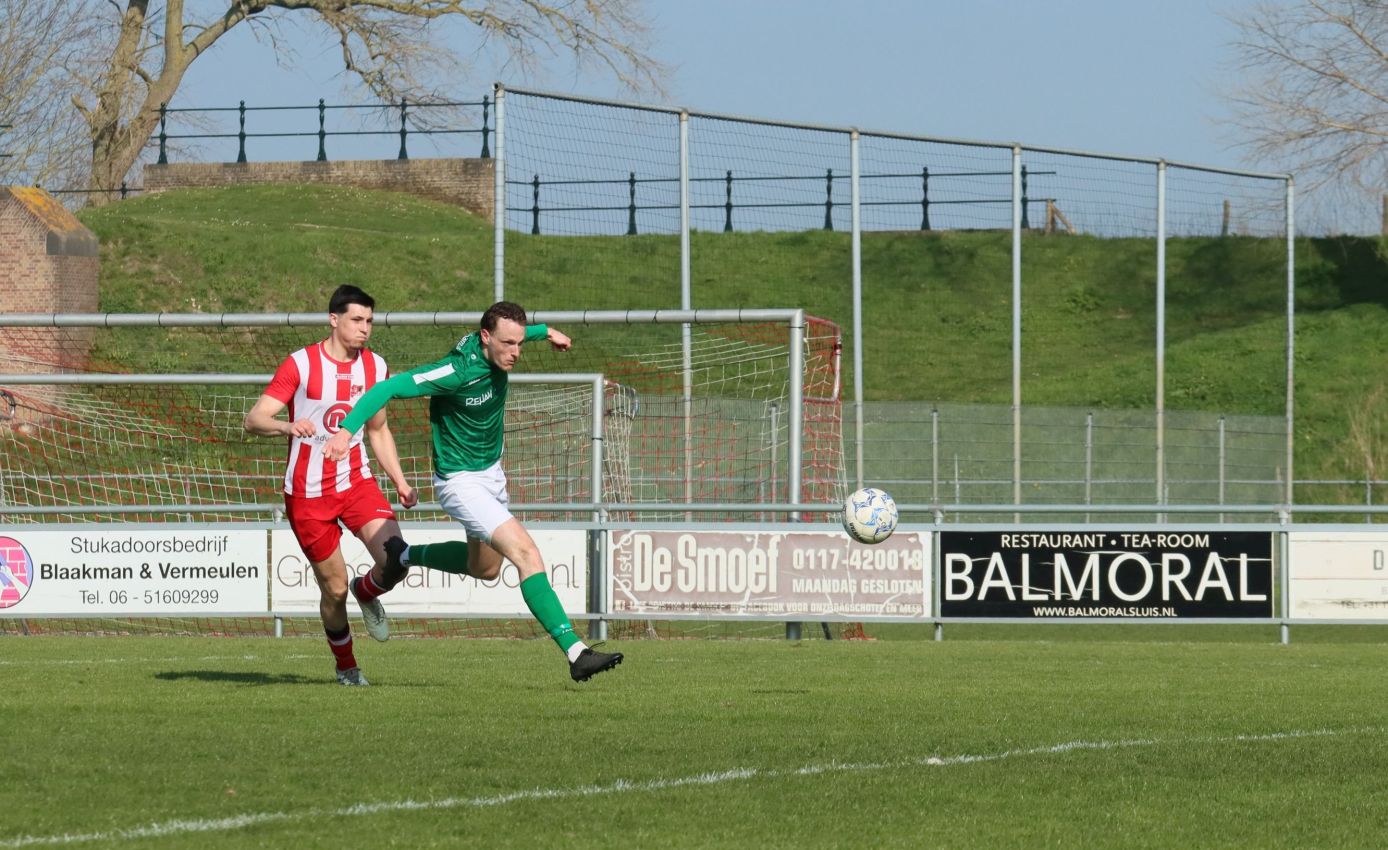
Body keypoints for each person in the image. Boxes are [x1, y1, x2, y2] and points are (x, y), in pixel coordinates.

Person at [323, 301, 623, 683]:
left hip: (491, 474)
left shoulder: (502, 343)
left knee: (485, 569)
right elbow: (388, 388)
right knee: (526, 553)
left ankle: (403, 555)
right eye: (508, 344)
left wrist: (547, 332)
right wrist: (346, 431)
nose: (515, 352)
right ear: (485, 337)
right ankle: (576, 652)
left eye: (519, 343)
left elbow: (519, 332)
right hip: (460, 482)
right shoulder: (456, 371)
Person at [244, 284, 418, 686]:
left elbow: (378, 429)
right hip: (307, 494)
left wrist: (401, 482)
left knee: (397, 558)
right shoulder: (301, 364)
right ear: (333, 319)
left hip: (356, 482)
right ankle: (347, 667)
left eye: (369, 321)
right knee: (335, 590)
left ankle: (367, 591)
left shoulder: (376, 367)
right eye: (357, 319)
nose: (365, 328)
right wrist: (287, 426)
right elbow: (254, 420)